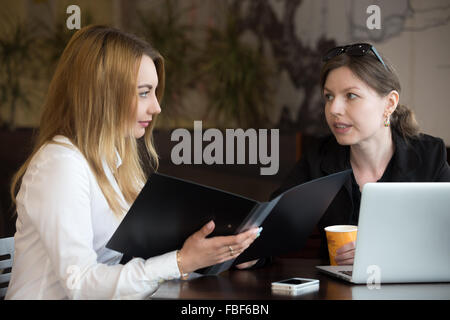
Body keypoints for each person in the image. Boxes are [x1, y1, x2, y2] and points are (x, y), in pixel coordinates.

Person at [5, 25, 261, 300]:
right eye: (143, 92)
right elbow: (80, 283)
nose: (156, 107)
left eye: (154, 92)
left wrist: (220, 253)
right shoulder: (60, 164)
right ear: (104, 94)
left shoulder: (115, 161)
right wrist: (181, 261)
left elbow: (149, 257)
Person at [272, 43, 450, 265]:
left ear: (390, 103)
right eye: (329, 96)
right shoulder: (319, 156)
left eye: (351, 96)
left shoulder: (429, 156)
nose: (334, 109)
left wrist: (384, 253)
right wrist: (251, 255)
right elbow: (272, 227)